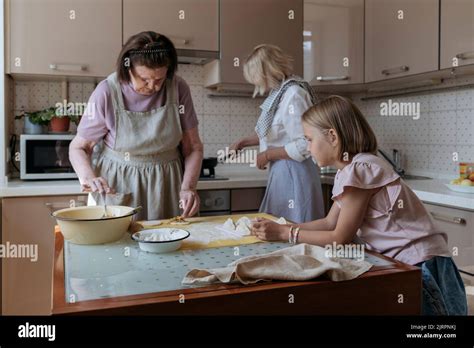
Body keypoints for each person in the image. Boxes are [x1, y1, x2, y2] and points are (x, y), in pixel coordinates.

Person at [251, 95, 467, 315]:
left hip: (422, 264)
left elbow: (339, 238)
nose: (307, 147)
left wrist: (286, 233)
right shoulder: (349, 170)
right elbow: (329, 223)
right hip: (411, 262)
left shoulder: (360, 169)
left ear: (332, 137)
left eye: (308, 139)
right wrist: (280, 226)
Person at [69, 31, 203, 220]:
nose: (152, 86)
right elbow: (79, 147)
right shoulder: (107, 92)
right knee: (118, 243)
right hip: (119, 184)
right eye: (144, 79)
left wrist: (188, 188)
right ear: (128, 68)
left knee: (172, 241)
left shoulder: (178, 88)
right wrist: (88, 177)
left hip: (168, 183)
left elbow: (193, 147)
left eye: (159, 79)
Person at [230, 44, 324, 223]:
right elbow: (276, 132)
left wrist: (267, 155)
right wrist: (243, 142)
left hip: (295, 172)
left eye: (255, 77)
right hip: (283, 171)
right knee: (277, 230)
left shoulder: (294, 94)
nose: (255, 83)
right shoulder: (281, 93)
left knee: (293, 231)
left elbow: (305, 143)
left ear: (265, 72)